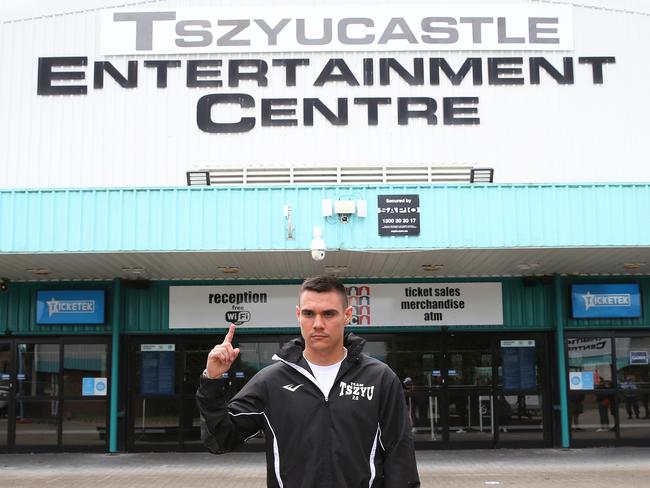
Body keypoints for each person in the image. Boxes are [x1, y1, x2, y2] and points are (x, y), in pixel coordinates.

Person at [196, 275, 420, 488]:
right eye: (309, 313)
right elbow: (220, 439)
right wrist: (211, 379)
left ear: (347, 314)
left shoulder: (380, 378)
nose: (318, 324)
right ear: (298, 315)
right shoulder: (271, 381)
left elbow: (400, 456)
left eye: (329, 314)